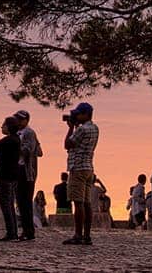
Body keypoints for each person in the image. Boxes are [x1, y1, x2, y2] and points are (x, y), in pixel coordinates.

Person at [63, 102, 99, 245]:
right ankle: (87, 235)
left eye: (79, 113)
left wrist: (71, 127)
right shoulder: (95, 128)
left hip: (77, 168)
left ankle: (78, 235)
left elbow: (67, 144)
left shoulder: (82, 130)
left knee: (78, 203)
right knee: (87, 203)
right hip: (88, 167)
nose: (76, 115)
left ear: (86, 114)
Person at [14, 109, 42, 241]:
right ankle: (25, 229)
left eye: (20, 119)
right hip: (19, 169)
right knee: (20, 201)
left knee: (25, 201)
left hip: (27, 171)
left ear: (26, 120)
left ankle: (28, 231)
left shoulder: (29, 133)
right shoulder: (18, 133)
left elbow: (27, 150)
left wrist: (12, 147)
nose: (18, 121)